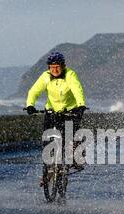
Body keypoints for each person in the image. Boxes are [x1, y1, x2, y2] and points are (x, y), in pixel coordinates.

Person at [24, 52, 87, 184]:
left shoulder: (70, 75)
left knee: (72, 137)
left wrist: (80, 105)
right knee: (47, 140)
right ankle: (47, 170)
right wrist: (30, 105)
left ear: (63, 66)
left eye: (57, 67)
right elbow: (34, 91)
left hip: (70, 111)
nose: (55, 70)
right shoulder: (45, 77)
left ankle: (76, 158)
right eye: (52, 68)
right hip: (52, 111)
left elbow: (77, 89)